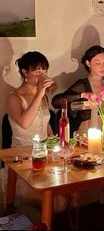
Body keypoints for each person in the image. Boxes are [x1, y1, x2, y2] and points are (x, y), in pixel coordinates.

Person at [2, 51, 67, 211]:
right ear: (25, 72)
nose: (42, 75)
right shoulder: (14, 97)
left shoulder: (43, 96)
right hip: (23, 156)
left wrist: (55, 141)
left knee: (65, 189)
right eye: (37, 71)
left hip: (45, 154)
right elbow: (25, 123)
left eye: (44, 71)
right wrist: (39, 93)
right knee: (43, 197)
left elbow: (45, 123)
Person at [52, 45, 104, 136]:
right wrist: (83, 95)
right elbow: (56, 102)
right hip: (86, 135)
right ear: (88, 63)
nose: (103, 67)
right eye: (98, 63)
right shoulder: (82, 85)